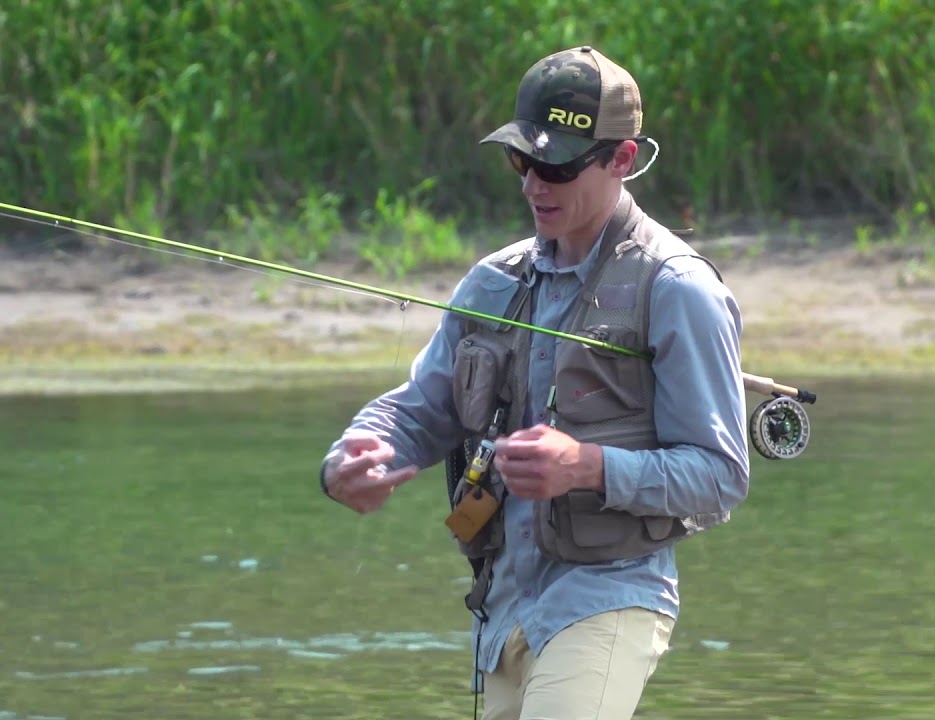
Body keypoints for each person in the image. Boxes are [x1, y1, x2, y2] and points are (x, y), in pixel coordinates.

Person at [319, 45, 751, 720]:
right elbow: (419, 411)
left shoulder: (679, 289)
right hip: (504, 610)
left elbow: (720, 474)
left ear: (623, 159)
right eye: (521, 159)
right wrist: (353, 455)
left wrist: (586, 466)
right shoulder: (492, 282)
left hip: (610, 599)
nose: (532, 184)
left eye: (555, 166)